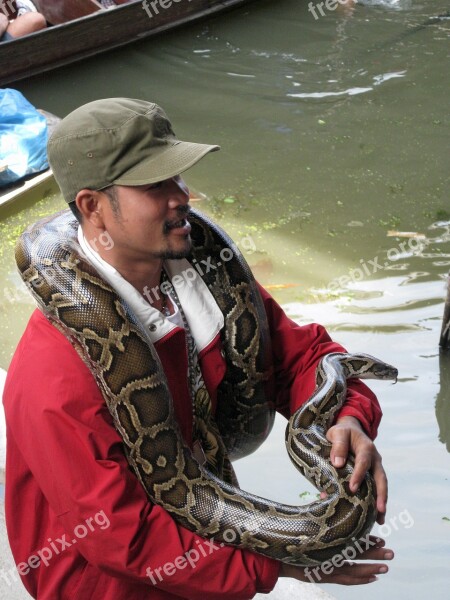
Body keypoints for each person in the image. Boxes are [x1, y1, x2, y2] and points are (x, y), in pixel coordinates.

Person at [3, 98, 394, 599]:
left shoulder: (198, 279)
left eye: (178, 177)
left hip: (207, 553)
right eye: (154, 186)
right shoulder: (53, 375)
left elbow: (303, 358)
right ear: (91, 207)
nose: (181, 197)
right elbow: (122, 536)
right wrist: (275, 567)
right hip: (106, 586)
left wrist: (349, 419)